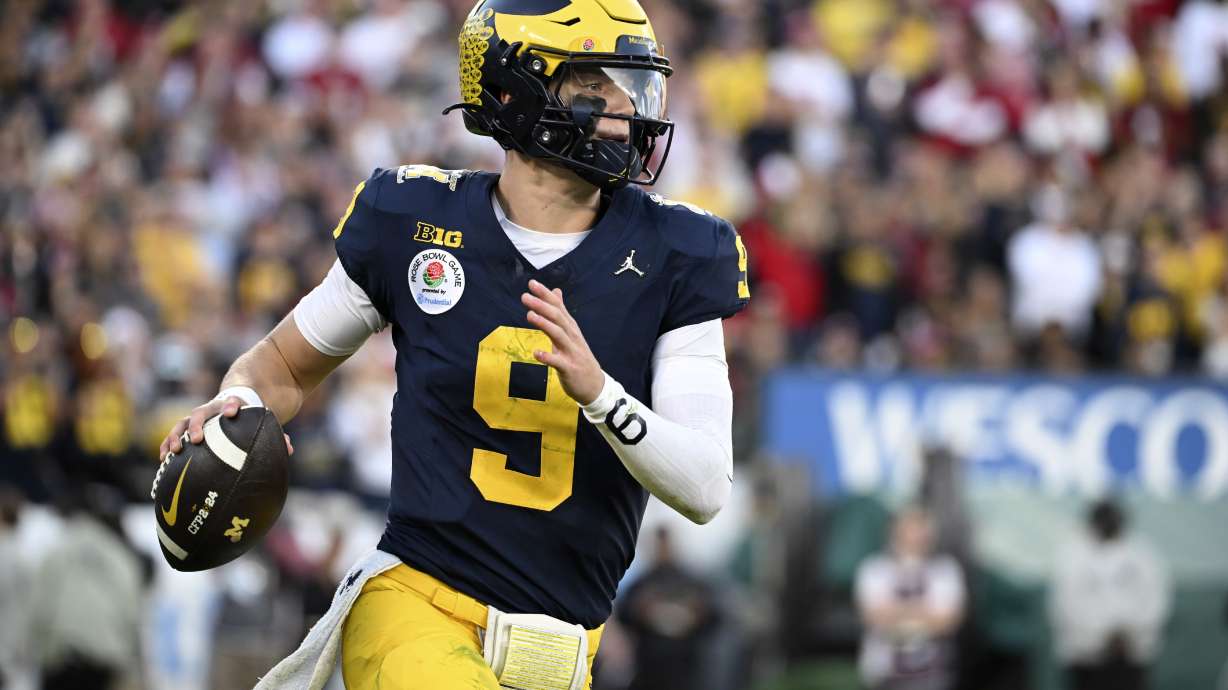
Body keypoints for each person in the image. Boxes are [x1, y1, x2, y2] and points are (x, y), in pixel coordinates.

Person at [157, 1, 749, 688]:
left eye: (631, 86)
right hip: (415, 607)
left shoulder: (678, 251)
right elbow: (285, 364)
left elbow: (705, 485)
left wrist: (601, 395)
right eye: (595, 86)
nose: (624, 109)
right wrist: (236, 402)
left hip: (563, 651)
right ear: (511, 91)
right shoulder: (414, 222)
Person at [1050, 499, 1171, 690]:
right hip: (1086, 657)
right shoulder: (1073, 555)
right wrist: (1100, 635)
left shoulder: (1143, 554)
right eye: (1103, 520)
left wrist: (1127, 633)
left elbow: (1156, 602)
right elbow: (1066, 606)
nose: (1108, 524)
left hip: (1133, 653)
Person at [854, 507, 966, 690]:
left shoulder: (945, 569)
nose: (915, 536)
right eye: (910, 528)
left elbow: (948, 620)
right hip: (885, 672)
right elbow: (874, 616)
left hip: (933, 671)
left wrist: (898, 611)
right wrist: (923, 610)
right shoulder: (874, 568)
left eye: (921, 529)